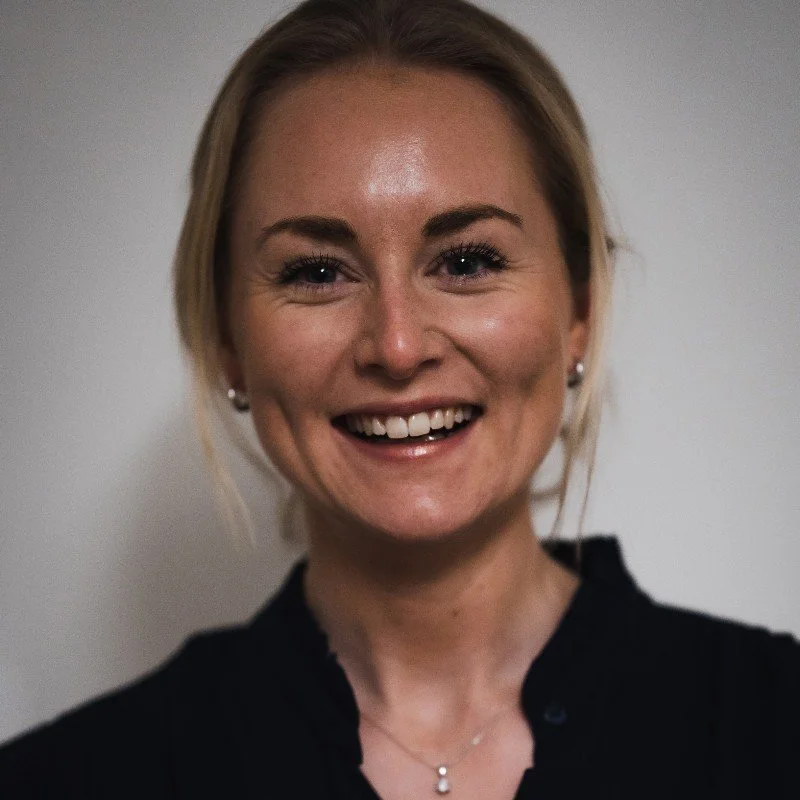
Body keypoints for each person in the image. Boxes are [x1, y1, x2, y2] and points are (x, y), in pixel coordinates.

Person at [1, 0, 797, 797]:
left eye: (467, 261)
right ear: (227, 341)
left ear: (579, 312)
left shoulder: (777, 727)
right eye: (317, 272)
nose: (398, 345)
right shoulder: (61, 782)